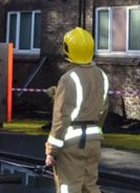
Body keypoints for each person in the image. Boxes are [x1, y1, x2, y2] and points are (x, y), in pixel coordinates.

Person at [45, 27, 109, 193]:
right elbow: (102, 108)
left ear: (68, 49)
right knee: (90, 186)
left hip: (72, 144)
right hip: (94, 141)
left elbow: (62, 117)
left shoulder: (68, 78)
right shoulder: (101, 75)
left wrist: (51, 151)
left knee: (69, 187)